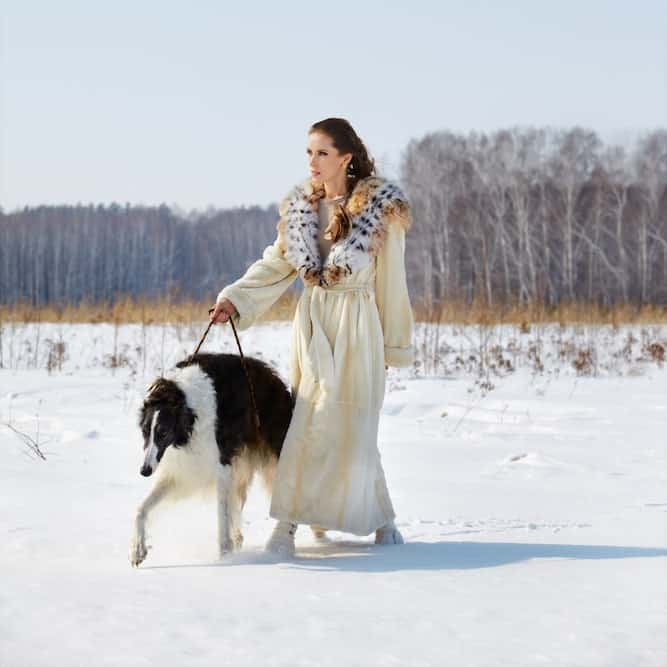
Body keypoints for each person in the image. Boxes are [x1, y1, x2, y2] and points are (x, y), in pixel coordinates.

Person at [209, 117, 415, 557]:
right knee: (309, 422)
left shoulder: (380, 210)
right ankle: (285, 527)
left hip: (358, 329)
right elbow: (275, 265)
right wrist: (236, 299)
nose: (313, 162)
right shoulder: (301, 208)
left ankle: (383, 521)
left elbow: (393, 284)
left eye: (322, 152)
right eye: (308, 153)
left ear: (346, 157)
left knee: (354, 428)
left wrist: (391, 347)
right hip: (314, 325)